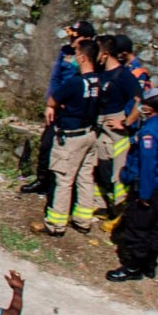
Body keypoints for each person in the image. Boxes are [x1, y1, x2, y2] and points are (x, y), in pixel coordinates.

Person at [31, 38, 101, 237]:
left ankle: (56, 223)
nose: (74, 57)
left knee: (63, 179)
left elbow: (54, 98)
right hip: (89, 134)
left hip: (71, 137)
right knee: (85, 178)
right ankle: (83, 220)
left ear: (83, 57)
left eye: (77, 53)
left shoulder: (76, 82)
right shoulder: (97, 81)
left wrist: (51, 107)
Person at [109, 87, 158, 281]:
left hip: (148, 186)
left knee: (137, 227)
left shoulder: (150, 132)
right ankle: (149, 265)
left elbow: (148, 165)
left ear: (149, 107)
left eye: (143, 104)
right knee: (155, 227)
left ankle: (132, 267)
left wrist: (144, 194)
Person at [21, 20, 93, 197]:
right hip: (58, 105)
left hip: (77, 111)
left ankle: (62, 188)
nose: (71, 40)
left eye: (75, 37)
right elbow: (55, 78)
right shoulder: (66, 52)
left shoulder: (90, 55)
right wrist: (50, 104)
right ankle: (42, 179)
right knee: (47, 143)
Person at [93, 34, 143, 226]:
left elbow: (140, 100)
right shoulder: (101, 73)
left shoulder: (124, 76)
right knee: (101, 169)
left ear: (105, 54)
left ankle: (121, 211)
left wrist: (126, 122)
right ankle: (103, 206)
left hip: (116, 132)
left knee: (118, 173)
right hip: (101, 127)